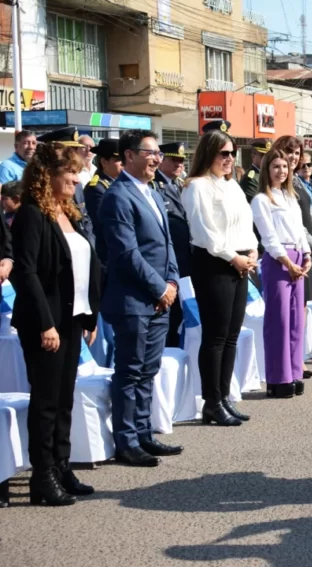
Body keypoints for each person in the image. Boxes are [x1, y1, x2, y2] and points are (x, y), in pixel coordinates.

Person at [11, 144, 100, 505]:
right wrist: (46, 324)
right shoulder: (33, 215)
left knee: (65, 398)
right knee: (46, 401)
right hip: (45, 322)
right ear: (48, 177)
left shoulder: (68, 212)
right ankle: (42, 477)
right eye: (70, 174)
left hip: (72, 317)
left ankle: (62, 466)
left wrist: (89, 315)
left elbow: (85, 266)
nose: (77, 179)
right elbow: (26, 273)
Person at [98, 129, 183, 466]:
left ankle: (144, 434)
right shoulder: (118, 196)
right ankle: (127, 440)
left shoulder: (152, 192)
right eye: (149, 153)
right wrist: (159, 288)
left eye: (157, 154)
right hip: (133, 299)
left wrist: (172, 280)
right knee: (130, 372)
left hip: (159, 297)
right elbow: (126, 253)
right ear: (128, 156)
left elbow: (167, 244)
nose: (155, 160)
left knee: (149, 370)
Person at [182, 120, 258, 425]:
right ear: (209, 153)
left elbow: (245, 225)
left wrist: (252, 251)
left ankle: (224, 396)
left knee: (231, 335)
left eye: (232, 153)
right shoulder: (196, 186)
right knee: (214, 336)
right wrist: (233, 257)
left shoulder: (232, 185)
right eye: (223, 153)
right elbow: (204, 233)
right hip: (215, 263)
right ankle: (211, 401)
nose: (229, 159)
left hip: (240, 261)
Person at [251, 149, 310, 399]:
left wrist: (306, 256)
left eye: (285, 167)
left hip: (297, 257)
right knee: (280, 322)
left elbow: (300, 229)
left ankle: (295, 372)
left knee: (297, 321)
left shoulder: (290, 196)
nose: (281, 171)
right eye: (276, 166)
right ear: (267, 170)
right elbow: (269, 237)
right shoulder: (261, 200)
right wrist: (287, 262)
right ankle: (278, 377)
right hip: (278, 260)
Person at [272, 135, 312, 379]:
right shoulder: (278, 183)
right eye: (288, 152)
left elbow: (309, 214)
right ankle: (289, 363)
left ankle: (298, 358)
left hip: (304, 253)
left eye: (296, 153)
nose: (293, 157)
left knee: (301, 308)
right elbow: (291, 223)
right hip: (287, 254)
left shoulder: (299, 182)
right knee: (288, 312)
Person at [155, 142, 192, 347]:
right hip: (171, 259)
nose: (179, 164)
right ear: (162, 161)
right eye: (174, 160)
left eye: (181, 160)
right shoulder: (155, 185)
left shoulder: (182, 184)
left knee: (184, 312)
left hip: (186, 258)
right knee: (172, 314)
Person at [35, 128, 94, 243]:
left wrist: (90, 247)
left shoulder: (77, 185)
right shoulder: (35, 206)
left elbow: (85, 219)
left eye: (75, 150)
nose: (73, 155)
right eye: (69, 150)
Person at [83, 138, 123, 266]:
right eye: (118, 160)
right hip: (108, 256)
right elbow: (103, 225)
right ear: (104, 162)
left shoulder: (122, 184)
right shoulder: (96, 188)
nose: (124, 163)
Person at [239, 138, 272, 203]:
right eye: (263, 156)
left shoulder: (267, 174)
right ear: (253, 156)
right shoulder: (251, 179)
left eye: (269, 156)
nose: (267, 159)